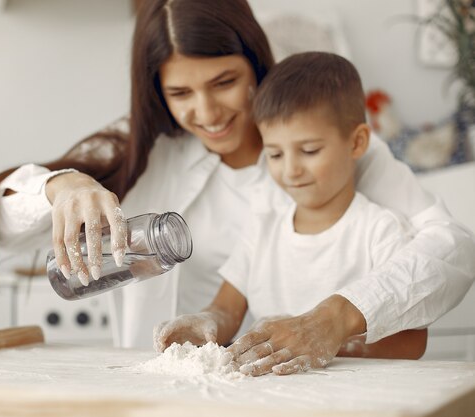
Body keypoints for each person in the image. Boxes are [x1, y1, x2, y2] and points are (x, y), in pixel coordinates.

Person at [0, 0, 475, 372]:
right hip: (164, 389)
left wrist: (335, 318)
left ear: (255, 62)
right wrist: (63, 187)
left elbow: (451, 248)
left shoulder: (334, 148)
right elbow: (1, 233)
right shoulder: (143, 149)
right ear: (156, 91)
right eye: (180, 92)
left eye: (224, 82)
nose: (206, 113)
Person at [154, 51, 429, 375]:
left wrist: (327, 340)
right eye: (275, 154)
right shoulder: (263, 227)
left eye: (309, 151)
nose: (291, 170)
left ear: (356, 143)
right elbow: (226, 310)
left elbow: (412, 342)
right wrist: (206, 322)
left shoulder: (380, 232)